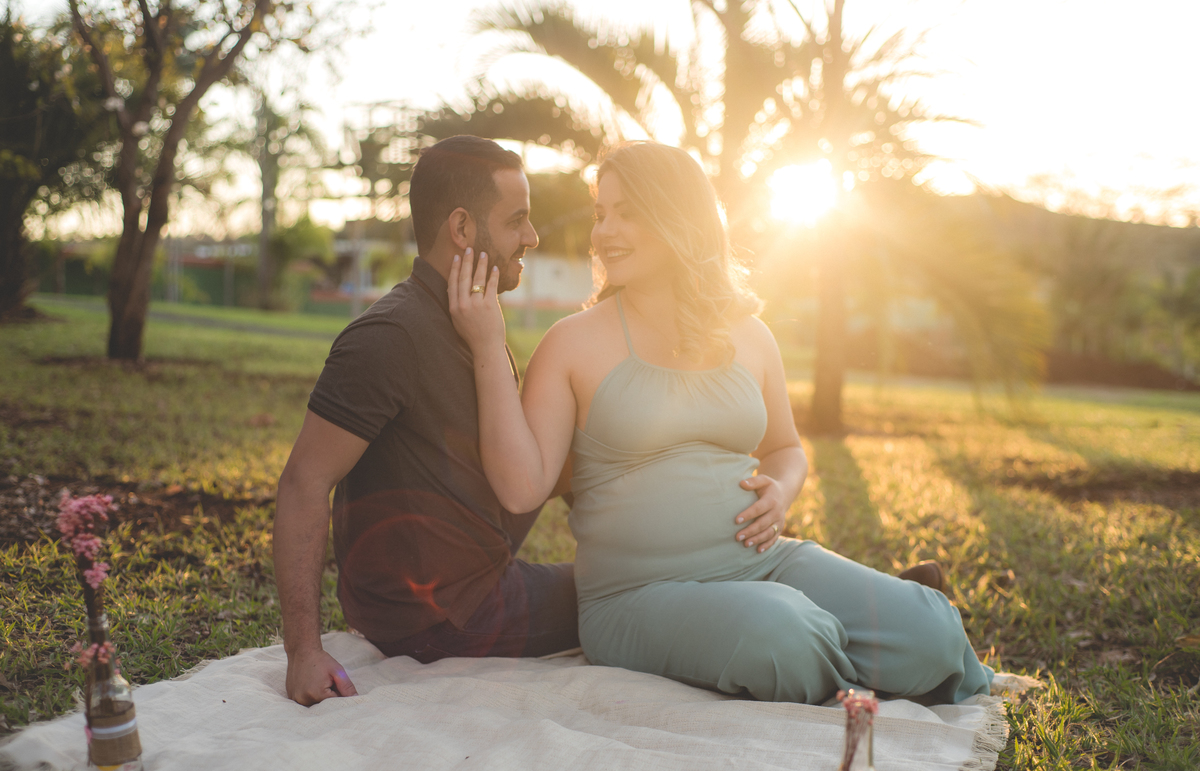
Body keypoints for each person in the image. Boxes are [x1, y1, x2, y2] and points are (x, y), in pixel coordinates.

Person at [448, 140, 995, 704]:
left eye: (627, 213)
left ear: (680, 219)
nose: (605, 232)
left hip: (763, 563)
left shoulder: (751, 335)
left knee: (931, 629)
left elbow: (786, 448)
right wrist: (487, 343)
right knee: (784, 634)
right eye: (601, 213)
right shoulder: (571, 343)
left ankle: (861, 652)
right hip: (637, 596)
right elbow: (521, 488)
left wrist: (780, 490)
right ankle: (856, 662)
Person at [272, 136, 785, 707]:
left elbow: (537, 469)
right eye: (516, 220)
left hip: (473, 581)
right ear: (462, 229)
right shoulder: (390, 336)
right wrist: (303, 653)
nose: (533, 237)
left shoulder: (470, 322)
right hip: (440, 615)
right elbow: (303, 482)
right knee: (630, 595)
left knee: (648, 567)